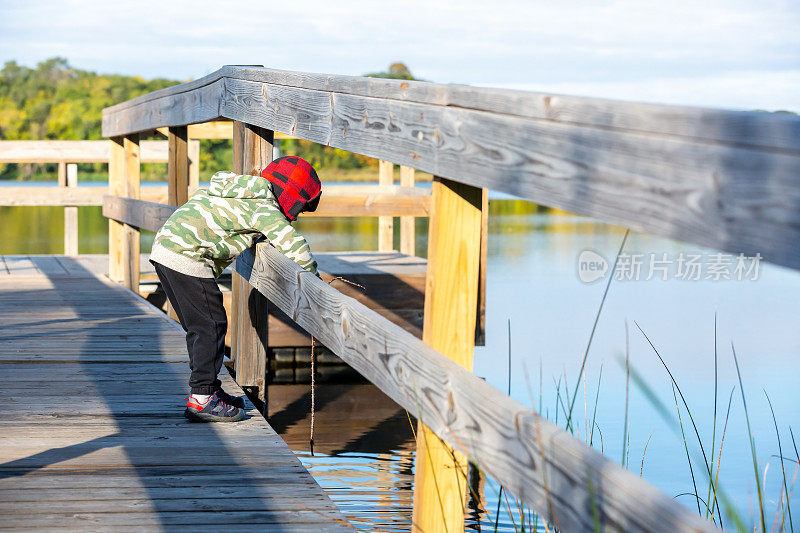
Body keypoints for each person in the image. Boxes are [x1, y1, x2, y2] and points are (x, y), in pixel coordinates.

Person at [150, 156, 322, 422]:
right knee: (210, 326)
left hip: (165, 249)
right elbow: (293, 246)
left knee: (201, 327)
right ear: (292, 198)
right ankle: (202, 398)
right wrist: (315, 282)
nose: (296, 217)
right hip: (188, 257)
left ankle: (208, 389)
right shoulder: (264, 209)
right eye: (300, 209)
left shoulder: (235, 189)